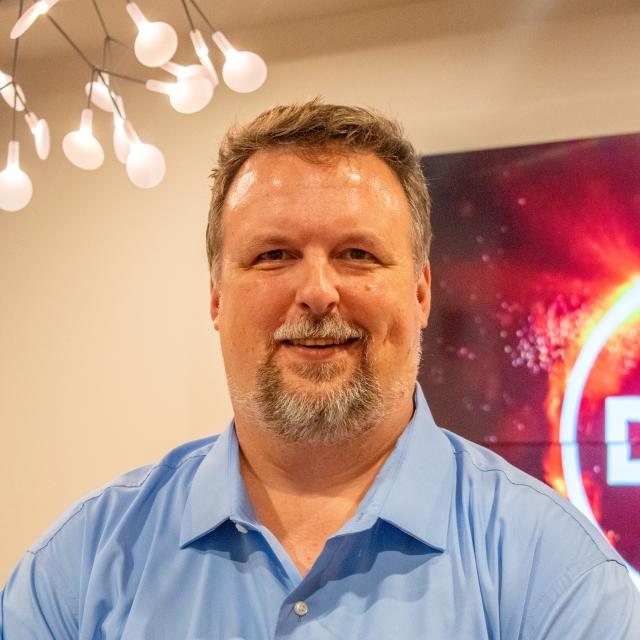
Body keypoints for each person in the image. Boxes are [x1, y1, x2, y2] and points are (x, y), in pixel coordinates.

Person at [2, 100, 639, 639]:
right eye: (273, 254)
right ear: (217, 298)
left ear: (420, 294)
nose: (316, 292)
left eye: (357, 254)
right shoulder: (82, 565)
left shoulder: (557, 575)